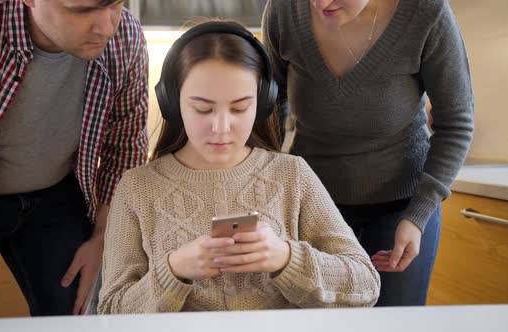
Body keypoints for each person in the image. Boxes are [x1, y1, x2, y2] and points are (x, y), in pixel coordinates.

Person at [97, 20, 380, 314]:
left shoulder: (292, 175)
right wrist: (173, 270)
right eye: (203, 108)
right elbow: (110, 312)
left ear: (263, 102)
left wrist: (285, 258)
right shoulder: (137, 187)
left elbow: (366, 284)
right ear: (172, 102)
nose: (221, 128)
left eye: (240, 108)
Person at [0, 0, 148, 319]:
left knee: (82, 309)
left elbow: (126, 144)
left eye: (116, 4)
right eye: (81, 10)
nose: (106, 26)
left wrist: (104, 237)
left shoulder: (125, 37)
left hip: (57, 192)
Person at [261, 0, 474, 306]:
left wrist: (417, 216)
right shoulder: (283, 11)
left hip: (402, 209)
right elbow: (267, 106)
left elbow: (457, 123)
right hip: (312, 208)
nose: (322, 3)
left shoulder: (426, 12)